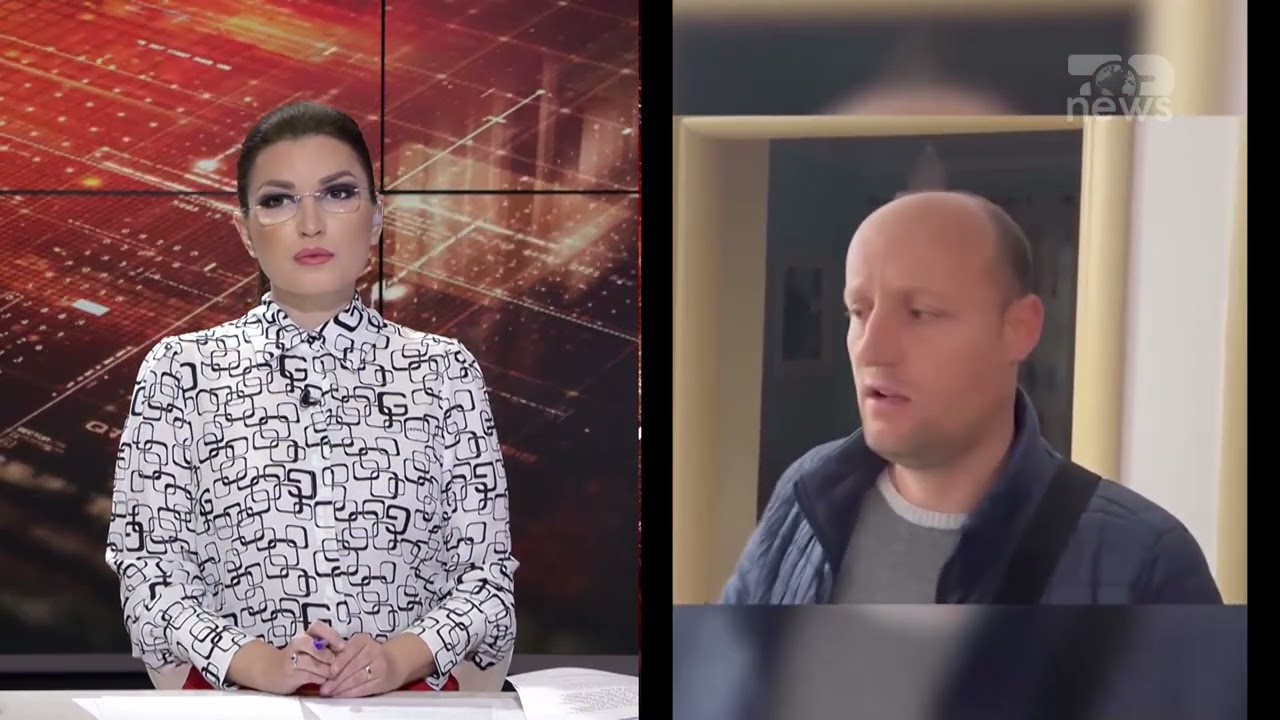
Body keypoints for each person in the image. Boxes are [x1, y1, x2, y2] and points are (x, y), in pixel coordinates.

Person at [105, 101, 517, 697]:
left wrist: (395, 661)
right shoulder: (180, 372)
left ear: (376, 218)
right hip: (239, 705)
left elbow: (486, 583)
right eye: (278, 200)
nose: (311, 224)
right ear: (245, 232)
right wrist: (262, 665)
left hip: (406, 706)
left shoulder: (444, 373)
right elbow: (149, 576)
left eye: (338, 193)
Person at [721, 191, 1221, 605]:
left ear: (1019, 329)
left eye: (921, 312)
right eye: (859, 311)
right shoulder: (805, 491)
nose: (872, 348)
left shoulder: (1144, 563)